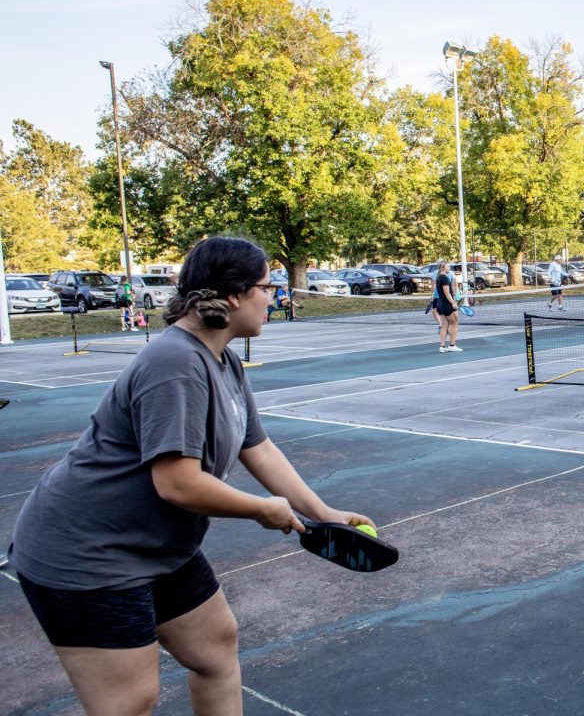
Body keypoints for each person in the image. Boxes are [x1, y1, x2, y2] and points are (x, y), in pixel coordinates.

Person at [7, 236, 375, 715]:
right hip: (87, 553)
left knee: (215, 650)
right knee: (129, 701)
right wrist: (263, 510)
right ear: (235, 294)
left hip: (156, 547)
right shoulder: (175, 364)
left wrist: (322, 511)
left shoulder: (224, 359)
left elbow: (257, 447)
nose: (274, 297)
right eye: (267, 287)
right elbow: (177, 483)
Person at [435, 260, 461, 352]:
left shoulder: (439, 278)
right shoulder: (445, 279)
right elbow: (447, 293)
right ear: (442, 268)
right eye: (448, 267)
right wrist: (453, 303)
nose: (449, 268)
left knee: (445, 325)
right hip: (446, 305)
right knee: (454, 324)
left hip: (441, 305)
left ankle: (442, 347)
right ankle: (452, 345)